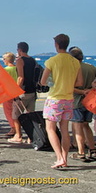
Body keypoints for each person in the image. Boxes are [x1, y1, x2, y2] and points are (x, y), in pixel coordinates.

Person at [40, 34, 82, 169]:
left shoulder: (52, 61)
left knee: (50, 129)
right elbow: (80, 82)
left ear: (56, 45)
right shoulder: (75, 61)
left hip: (55, 98)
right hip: (69, 99)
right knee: (65, 129)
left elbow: (43, 81)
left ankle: (59, 158)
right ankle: (65, 158)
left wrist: (54, 82)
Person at [68, 47, 96, 161]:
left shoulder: (72, 69)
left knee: (78, 126)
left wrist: (81, 91)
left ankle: (81, 152)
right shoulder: (91, 68)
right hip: (89, 101)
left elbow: (69, 86)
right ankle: (92, 149)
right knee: (86, 125)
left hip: (76, 101)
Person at [9, 42, 37, 143]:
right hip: (32, 90)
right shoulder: (32, 60)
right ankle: (30, 137)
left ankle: (18, 135)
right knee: (30, 114)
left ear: (19, 50)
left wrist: (16, 91)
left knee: (15, 115)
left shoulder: (20, 60)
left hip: (23, 91)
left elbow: (20, 77)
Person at [2, 52, 17, 137]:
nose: (3, 61)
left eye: (4, 59)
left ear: (7, 60)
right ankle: (15, 127)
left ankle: (13, 127)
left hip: (8, 93)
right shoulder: (17, 68)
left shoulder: (6, 70)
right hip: (16, 92)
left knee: (8, 111)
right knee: (15, 111)